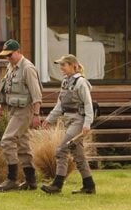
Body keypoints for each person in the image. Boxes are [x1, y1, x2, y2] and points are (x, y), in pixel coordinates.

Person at [0, 39, 43, 192]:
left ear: (19, 51)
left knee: (7, 140)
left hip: (24, 111)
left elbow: (37, 94)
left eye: (10, 55)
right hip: (13, 110)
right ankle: (31, 181)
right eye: (6, 55)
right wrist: (0, 109)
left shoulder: (28, 68)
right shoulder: (11, 67)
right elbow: (6, 90)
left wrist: (36, 115)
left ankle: (12, 179)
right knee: (23, 145)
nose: (8, 58)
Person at [41, 54, 96, 195]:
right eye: (60, 65)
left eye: (63, 65)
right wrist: (49, 120)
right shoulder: (65, 82)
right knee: (79, 155)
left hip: (79, 121)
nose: (61, 68)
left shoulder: (81, 83)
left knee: (61, 150)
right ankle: (89, 186)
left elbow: (88, 104)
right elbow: (60, 105)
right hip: (68, 120)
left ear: (73, 66)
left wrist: (87, 124)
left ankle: (57, 185)